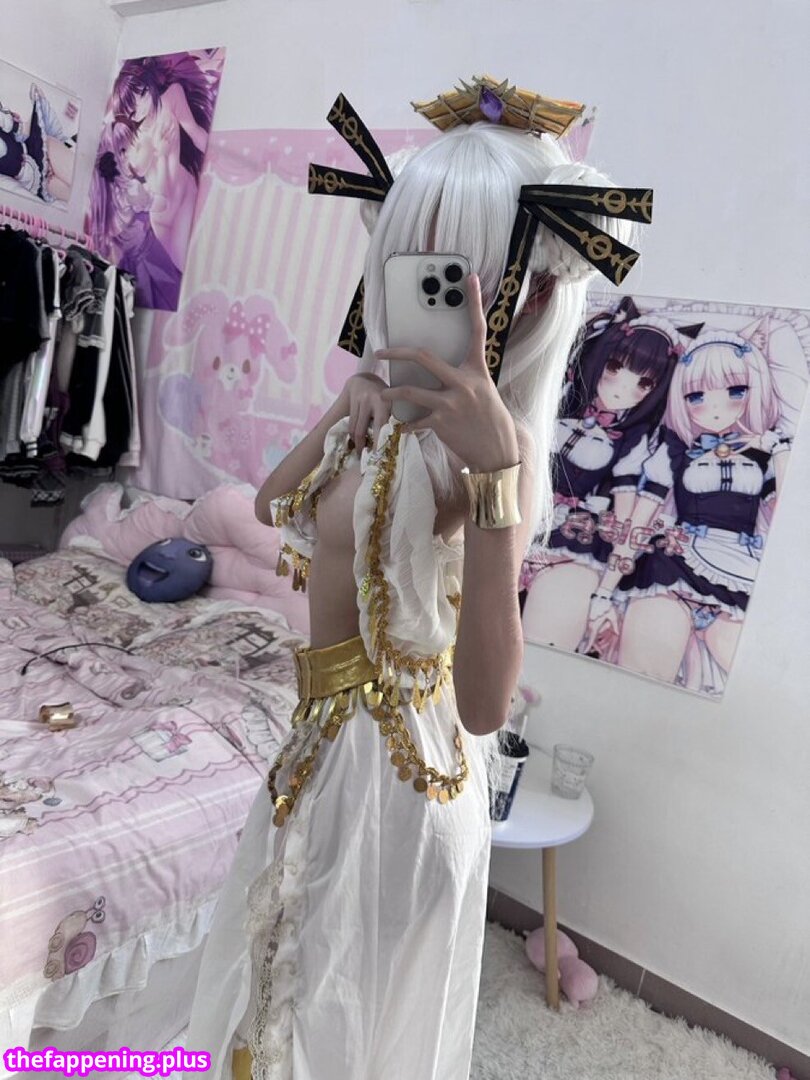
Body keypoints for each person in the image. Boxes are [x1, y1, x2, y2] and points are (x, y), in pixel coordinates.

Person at [181, 78, 643, 1080]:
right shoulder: (386, 415)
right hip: (321, 745)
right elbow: (268, 503)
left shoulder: (499, 454)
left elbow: (483, 706)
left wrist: (493, 483)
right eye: (410, 268)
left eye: (454, 276)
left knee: (338, 1021)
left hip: (399, 780)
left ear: (532, 295)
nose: (422, 298)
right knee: (274, 991)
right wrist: (347, 396)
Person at [583, 325, 791, 693]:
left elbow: (791, 517)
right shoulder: (675, 450)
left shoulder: (770, 452)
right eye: (696, 396)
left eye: (735, 392)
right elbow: (639, 523)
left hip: (739, 574)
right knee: (638, 682)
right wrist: (603, 592)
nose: (715, 408)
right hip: (673, 566)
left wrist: (777, 448)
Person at [521, 298, 681, 652]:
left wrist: (605, 592)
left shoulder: (632, 444)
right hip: (515, 525)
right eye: (614, 367)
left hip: (572, 545)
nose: (622, 388)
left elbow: (627, 524)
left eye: (644, 383)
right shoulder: (556, 400)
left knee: (542, 641)